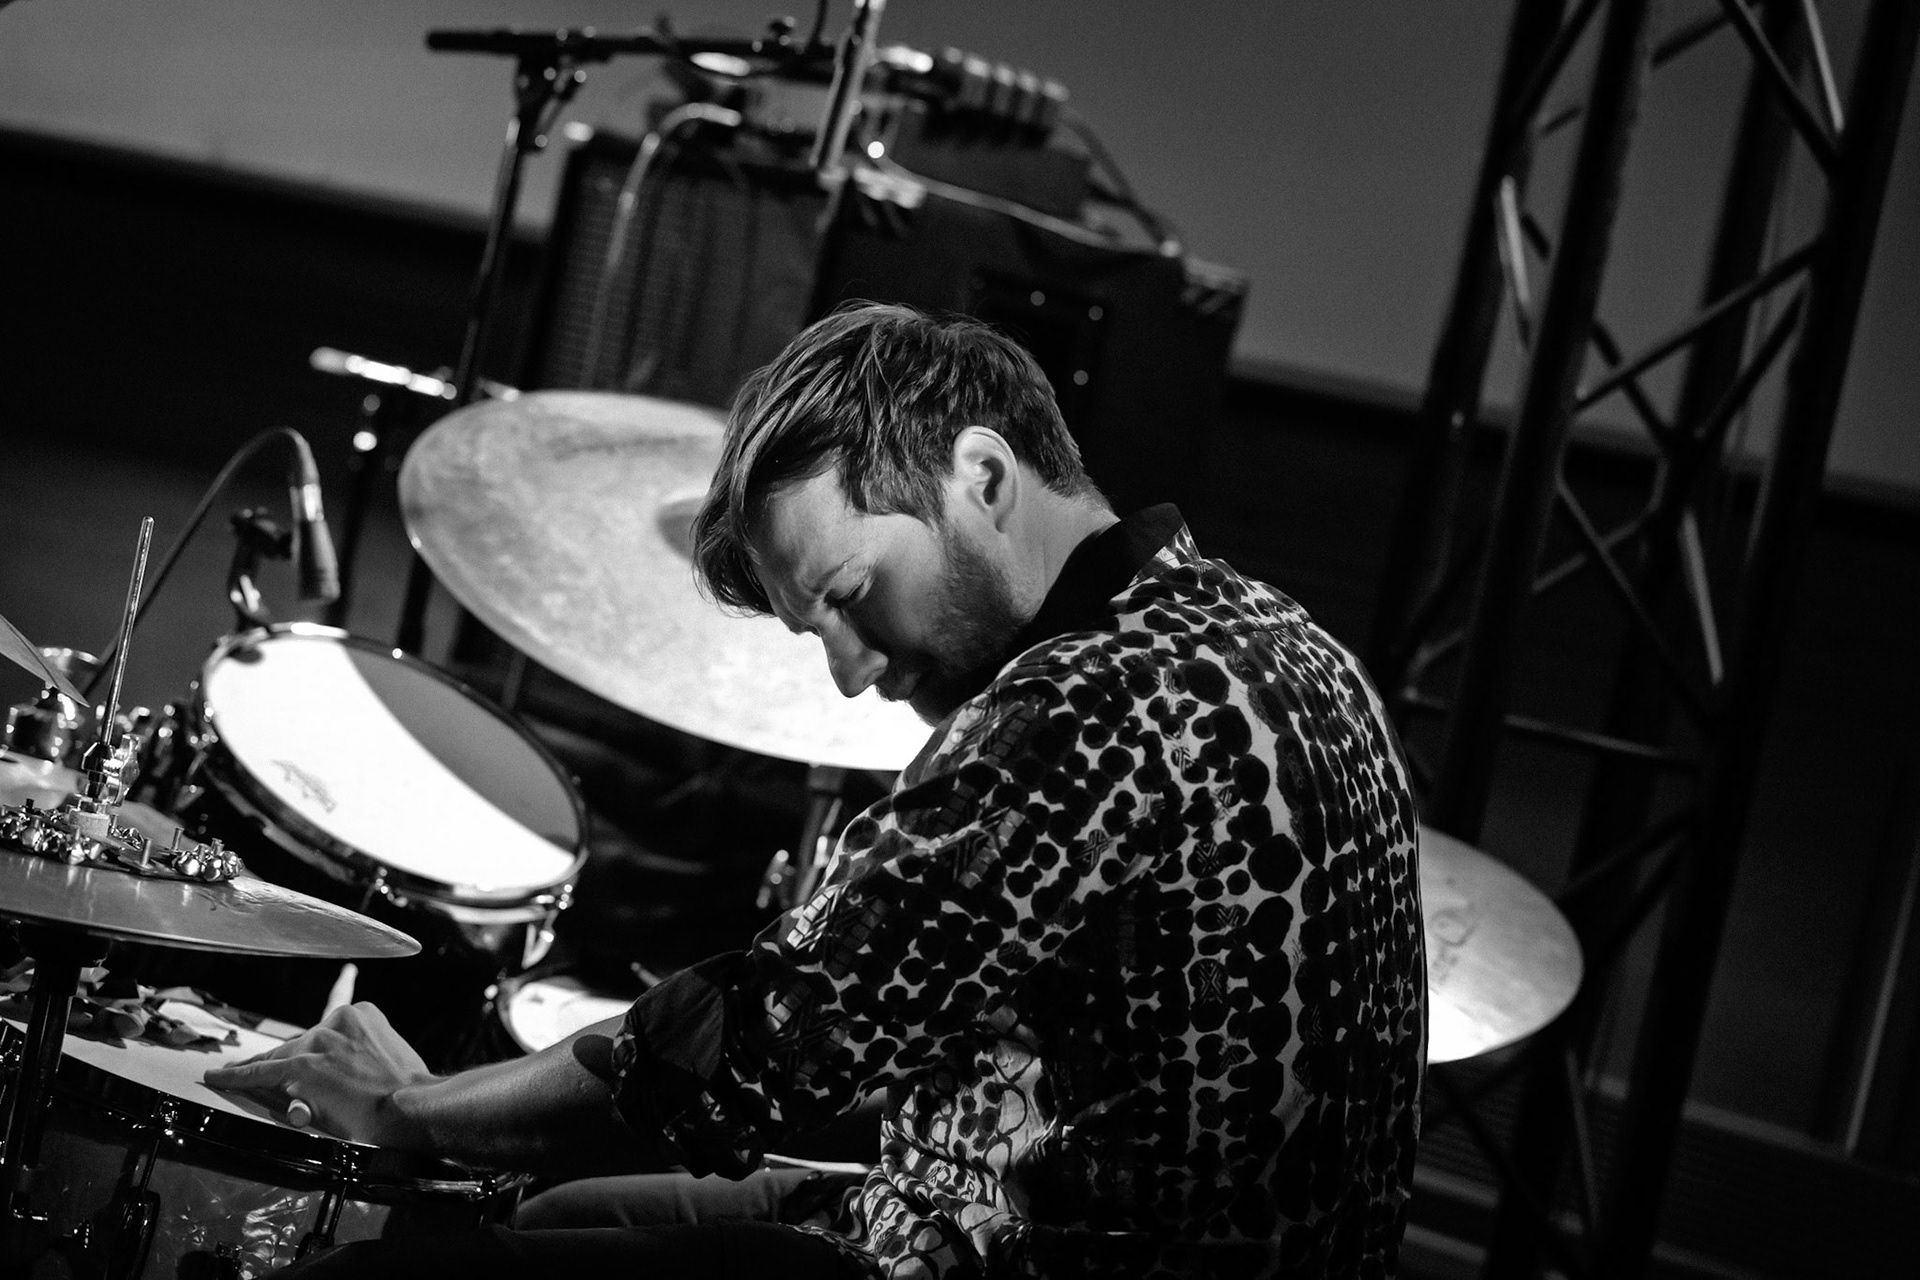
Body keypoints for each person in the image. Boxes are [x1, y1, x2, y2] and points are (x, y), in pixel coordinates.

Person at [207, 302, 1425, 1278]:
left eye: (846, 592)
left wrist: (411, 1105)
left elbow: (752, 1055)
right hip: (988, 1202)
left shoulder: (1085, 704)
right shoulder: (1287, 641)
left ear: (983, 476)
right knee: (558, 1210)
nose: (849, 673)